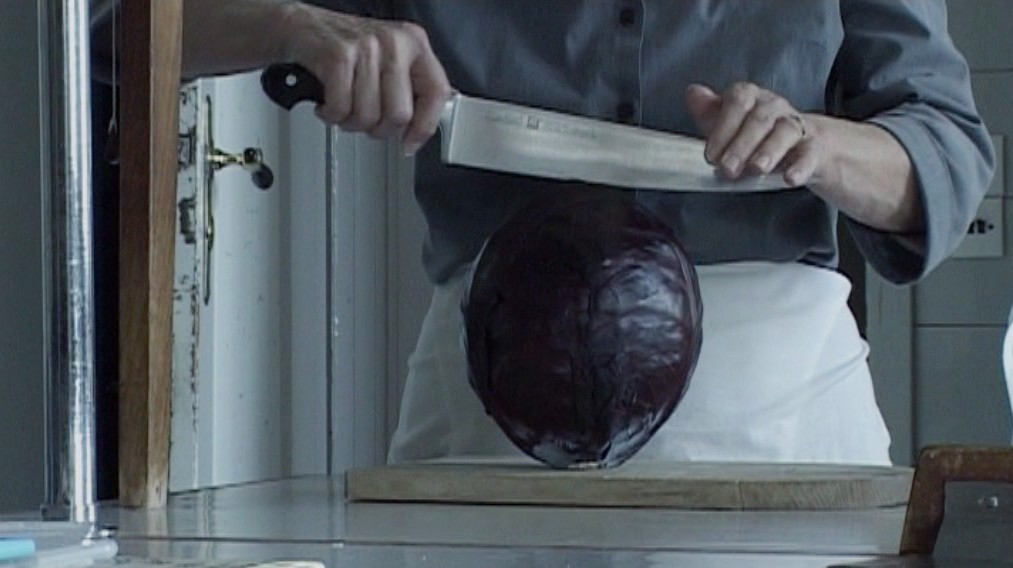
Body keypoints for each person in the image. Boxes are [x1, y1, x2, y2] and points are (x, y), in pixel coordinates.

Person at [99, 1, 995, 465]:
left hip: (781, 414)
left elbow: (947, 152)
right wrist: (291, 24)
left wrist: (818, 146)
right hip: (487, 406)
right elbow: (111, 31)